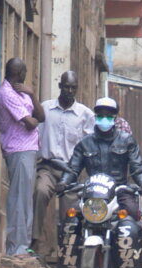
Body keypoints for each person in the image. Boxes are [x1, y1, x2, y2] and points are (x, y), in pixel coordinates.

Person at [31, 71, 94, 255]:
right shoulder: (46, 108)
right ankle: (35, 242)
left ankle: (69, 248)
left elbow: (89, 146)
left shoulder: (85, 114)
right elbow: (35, 136)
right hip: (48, 166)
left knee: (71, 210)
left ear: (77, 89)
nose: (69, 90)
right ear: (60, 86)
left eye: (73, 87)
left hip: (71, 170)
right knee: (40, 192)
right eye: (66, 86)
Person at [58, 96, 142, 206]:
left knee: (131, 213)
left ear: (115, 118)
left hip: (119, 192)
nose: (104, 118)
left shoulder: (127, 140)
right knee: (72, 218)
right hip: (92, 193)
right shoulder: (84, 143)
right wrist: (64, 182)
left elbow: (137, 166)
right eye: (101, 115)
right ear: (96, 117)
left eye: (108, 116)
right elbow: (73, 168)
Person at [0, 57, 45, 256]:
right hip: (18, 149)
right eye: (24, 71)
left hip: (28, 149)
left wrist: (32, 95)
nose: (26, 75)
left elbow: (40, 117)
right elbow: (31, 123)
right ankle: (16, 248)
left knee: (25, 200)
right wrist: (32, 118)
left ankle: (22, 246)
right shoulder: (6, 93)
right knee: (18, 200)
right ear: (19, 73)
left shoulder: (23, 93)